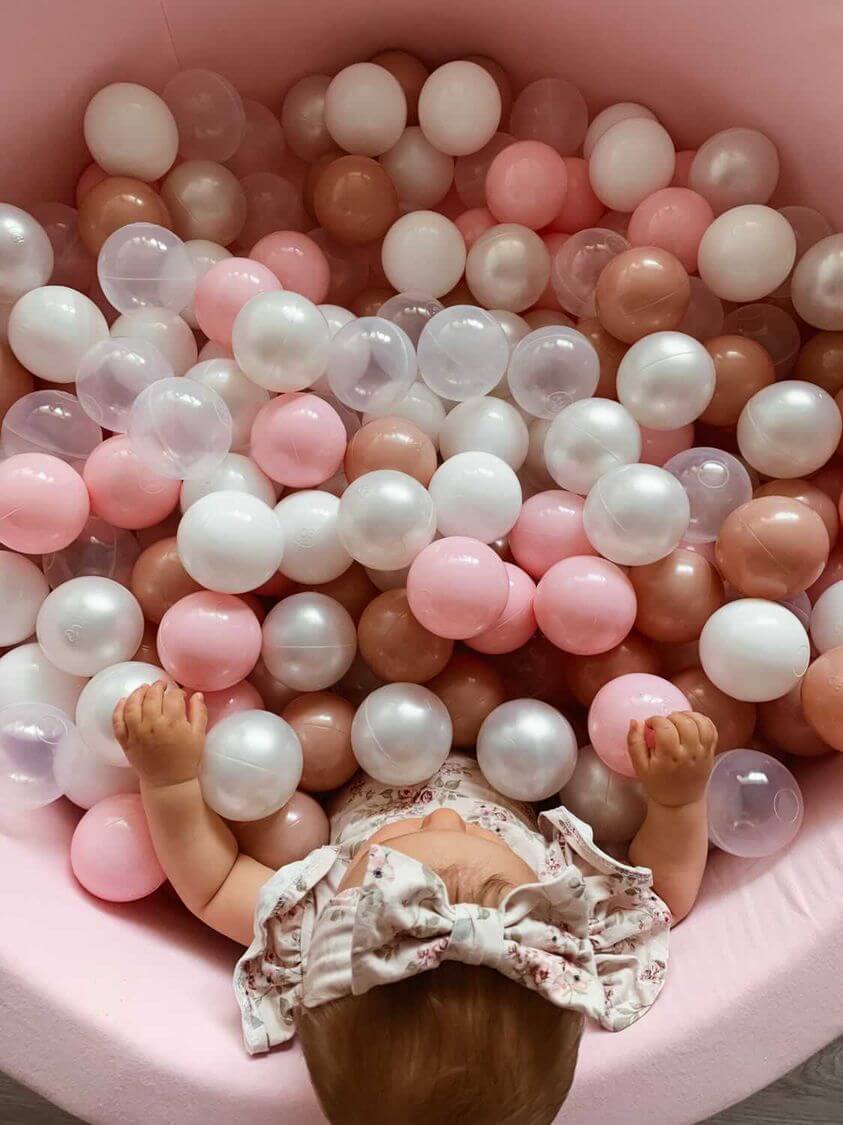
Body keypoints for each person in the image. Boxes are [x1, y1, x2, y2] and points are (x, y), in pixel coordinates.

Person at [114, 682, 717, 1125]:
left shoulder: (320, 929)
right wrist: (677, 802)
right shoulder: (560, 910)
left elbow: (214, 882)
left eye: (400, 846)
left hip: (349, 719)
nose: (446, 816)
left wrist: (169, 780)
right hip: (520, 718)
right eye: (485, 842)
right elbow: (662, 894)